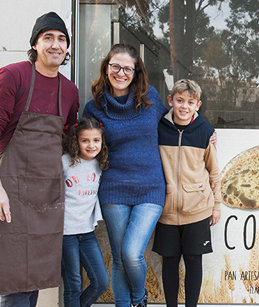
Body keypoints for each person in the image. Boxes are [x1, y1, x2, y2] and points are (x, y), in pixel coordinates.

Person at [0, 12, 79, 306]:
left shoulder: (69, 91)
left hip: (47, 197)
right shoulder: (13, 76)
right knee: (14, 279)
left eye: (61, 39)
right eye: (48, 37)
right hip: (11, 193)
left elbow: (69, 137)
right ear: (35, 44)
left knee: (33, 277)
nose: (55, 45)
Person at [82, 43, 167, 307]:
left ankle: (139, 298)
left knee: (131, 253)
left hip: (150, 188)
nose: (121, 73)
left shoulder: (150, 99)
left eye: (127, 68)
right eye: (115, 66)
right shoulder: (93, 108)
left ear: (136, 71)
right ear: (106, 68)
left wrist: (203, 127)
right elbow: (84, 145)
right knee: (119, 258)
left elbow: (175, 124)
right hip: (113, 189)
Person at [152, 79, 221, 307]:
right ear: (170, 100)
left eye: (190, 102)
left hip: (198, 210)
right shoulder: (159, 128)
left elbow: (213, 171)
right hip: (166, 210)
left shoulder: (205, 131)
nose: (184, 106)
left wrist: (217, 205)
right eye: (179, 100)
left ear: (197, 105)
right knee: (169, 262)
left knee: (193, 261)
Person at [61, 117, 109, 307]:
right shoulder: (64, 162)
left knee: (101, 282)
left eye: (96, 140)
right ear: (76, 141)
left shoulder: (100, 163)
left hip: (87, 232)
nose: (91, 145)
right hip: (66, 234)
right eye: (85, 140)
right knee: (73, 286)